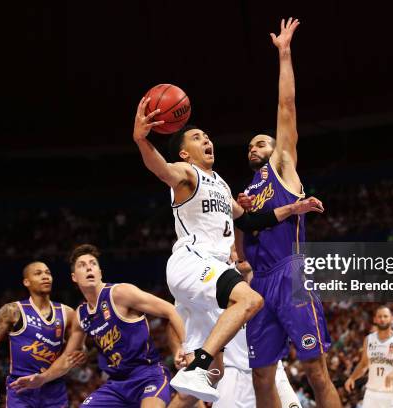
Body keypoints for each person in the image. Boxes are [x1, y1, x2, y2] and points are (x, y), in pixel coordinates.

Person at [133, 93, 324, 402]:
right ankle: (199, 365)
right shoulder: (186, 174)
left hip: (213, 273)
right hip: (193, 262)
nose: (207, 140)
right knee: (250, 300)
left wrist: (292, 209)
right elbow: (160, 168)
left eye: (207, 136)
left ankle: (199, 369)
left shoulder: (220, 184)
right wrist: (142, 141)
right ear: (184, 153)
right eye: (197, 137)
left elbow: (248, 222)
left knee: (213, 376)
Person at [236, 17, 340, 407]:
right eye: (250, 145)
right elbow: (238, 241)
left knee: (316, 369)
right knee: (262, 376)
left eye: (260, 141)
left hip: (290, 272)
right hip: (259, 283)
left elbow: (286, 105)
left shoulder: (282, 165)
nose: (254, 146)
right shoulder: (245, 194)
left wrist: (284, 53)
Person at [10, 244, 186, 408]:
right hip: (116, 384)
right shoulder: (81, 315)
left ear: (99, 272)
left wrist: (184, 347)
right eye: (82, 265)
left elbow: (172, 311)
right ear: (74, 277)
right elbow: (68, 357)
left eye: (93, 264)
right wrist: (43, 378)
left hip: (148, 375)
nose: (88, 267)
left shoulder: (120, 293)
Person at [0, 261, 84, 408]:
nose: (45, 276)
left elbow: (79, 350)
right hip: (20, 388)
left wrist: (79, 352)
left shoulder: (67, 313)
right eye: (38, 273)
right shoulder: (12, 311)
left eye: (48, 273)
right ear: (26, 282)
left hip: (53, 387)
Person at [213, 259, 302, 408]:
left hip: (272, 371)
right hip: (233, 375)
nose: (241, 252)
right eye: (235, 248)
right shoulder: (217, 287)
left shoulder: (276, 284)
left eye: (245, 245)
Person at [344, 306, 393, 408]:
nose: (382, 319)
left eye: (385, 316)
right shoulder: (369, 340)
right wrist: (352, 378)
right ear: (375, 320)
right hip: (371, 394)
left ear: (392, 319)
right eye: (380, 316)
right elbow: (364, 364)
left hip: (392, 395)